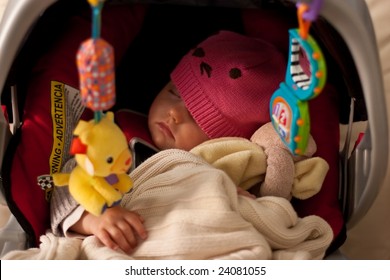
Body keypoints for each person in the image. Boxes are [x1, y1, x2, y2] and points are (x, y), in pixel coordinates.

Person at [50, 30, 286, 254]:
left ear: (223, 141)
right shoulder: (117, 140)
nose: (173, 112)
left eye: (196, 115)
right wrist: (93, 219)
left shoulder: (227, 169)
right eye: (173, 92)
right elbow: (70, 183)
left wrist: (233, 203)